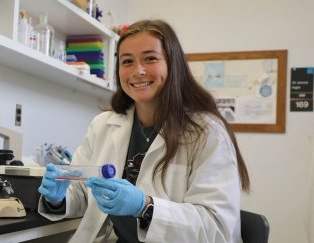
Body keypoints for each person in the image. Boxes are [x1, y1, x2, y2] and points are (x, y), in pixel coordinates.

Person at [38, 19, 250, 243]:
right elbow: (83, 191)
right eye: (127, 61)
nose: (138, 71)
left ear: (173, 64)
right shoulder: (103, 125)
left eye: (150, 58)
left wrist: (145, 207)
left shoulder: (207, 133)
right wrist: (58, 197)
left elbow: (216, 228)